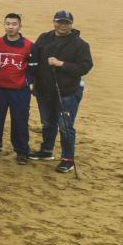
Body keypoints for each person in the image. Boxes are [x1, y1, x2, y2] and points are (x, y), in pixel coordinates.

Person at [31, 10, 93, 173]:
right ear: (54, 22)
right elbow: (34, 59)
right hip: (44, 91)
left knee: (65, 126)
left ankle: (67, 159)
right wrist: (33, 83)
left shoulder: (80, 44)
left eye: (66, 22)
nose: (62, 25)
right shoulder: (44, 38)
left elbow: (85, 66)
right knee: (47, 123)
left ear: (71, 24)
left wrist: (61, 64)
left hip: (67, 92)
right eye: (59, 22)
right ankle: (46, 151)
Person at [0, 13, 38, 163]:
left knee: (20, 121)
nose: (10, 27)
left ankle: (22, 151)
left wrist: (24, 81)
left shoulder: (29, 46)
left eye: (14, 24)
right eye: (8, 24)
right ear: (4, 25)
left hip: (20, 91)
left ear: (20, 26)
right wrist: (0, 77)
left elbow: (33, 68)